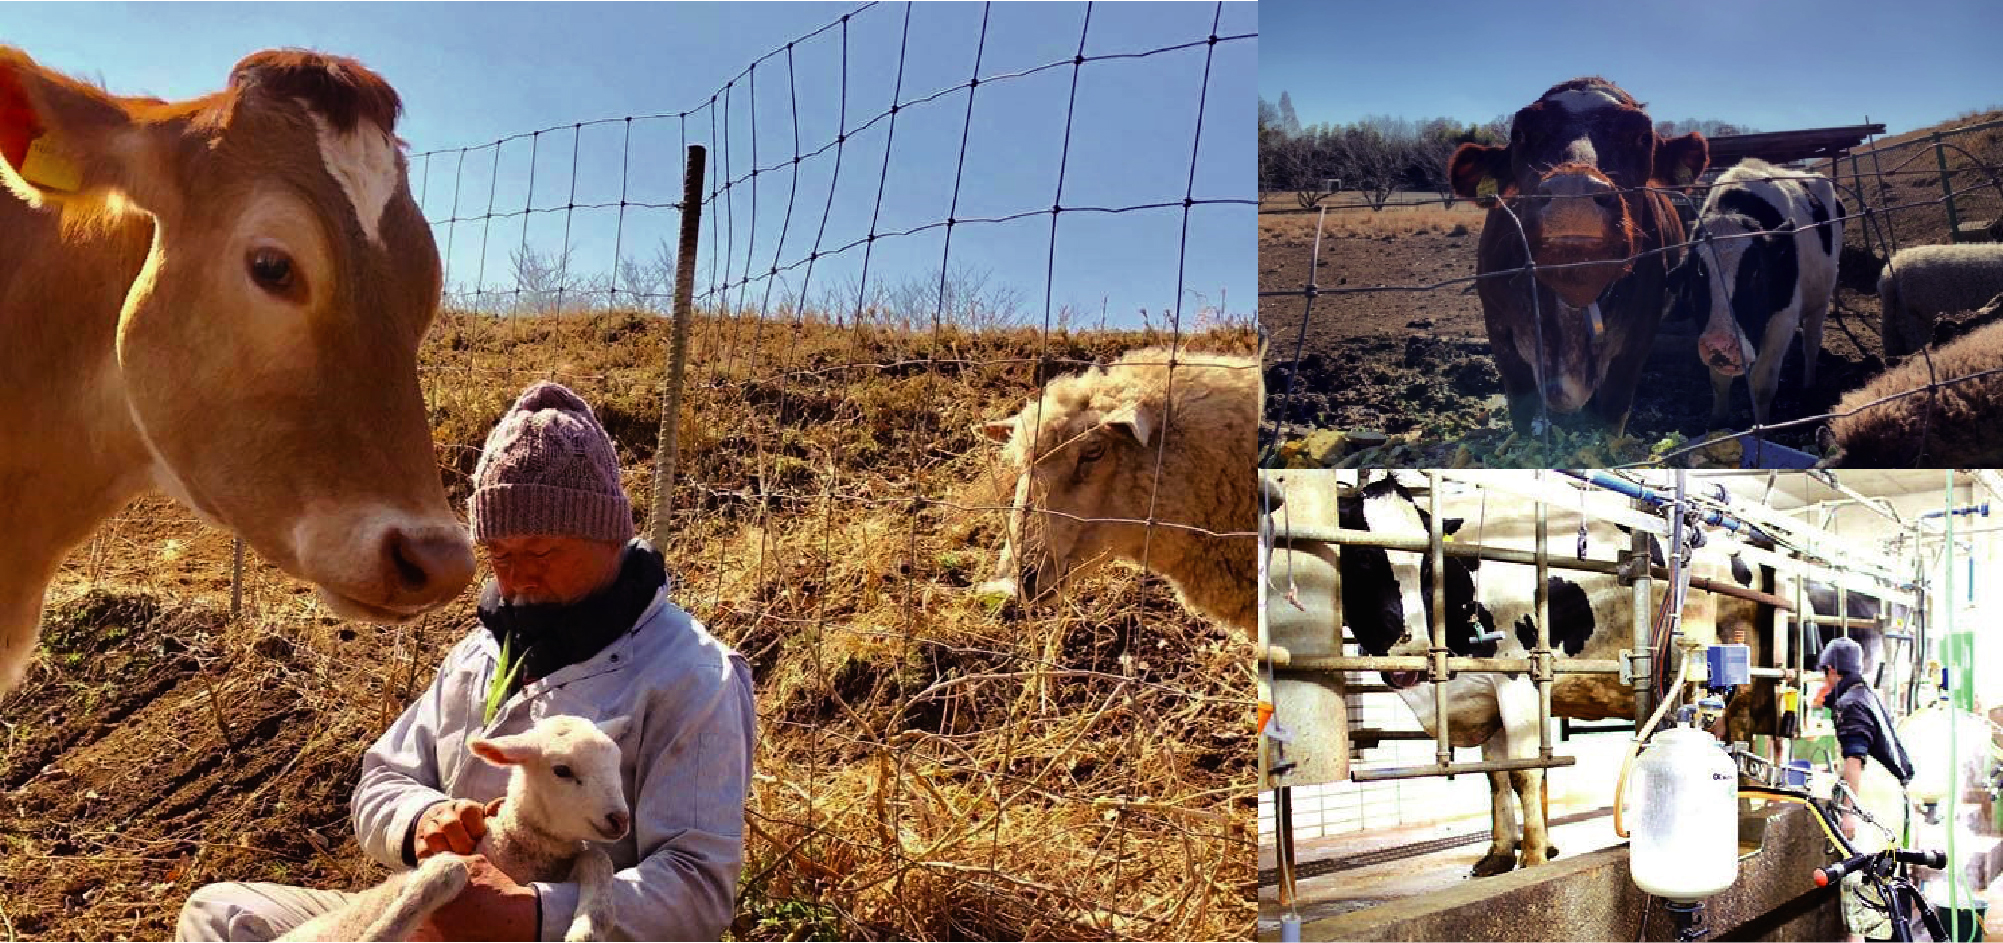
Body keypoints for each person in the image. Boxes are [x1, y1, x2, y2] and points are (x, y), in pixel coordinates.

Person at [177, 381, 757, 941]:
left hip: (557, 933)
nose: (516, 577)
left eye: (542, 551)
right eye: (499, 553)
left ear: (610, 536)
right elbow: (381, 780)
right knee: (221, 915)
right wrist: (422, 823)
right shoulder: (479, 653)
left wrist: (530, 917)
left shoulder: (692, 675)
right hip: (429, 909)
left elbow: (697, 886)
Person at [1811, 636, 1915, 943]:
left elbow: (1855, 759)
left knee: (1873, 889)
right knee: (1888, 885)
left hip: (1874, 803)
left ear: (1832, 670)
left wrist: (1848, 813)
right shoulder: (1865, 694)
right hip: (1891, 799)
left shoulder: (1850, 702)